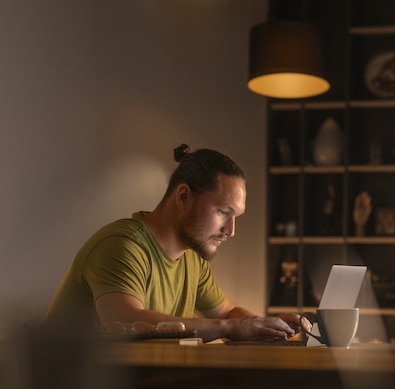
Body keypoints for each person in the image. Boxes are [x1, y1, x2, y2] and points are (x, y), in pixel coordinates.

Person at [46, 144, 305, 342]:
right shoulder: (123, 246)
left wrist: (266, 325)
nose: (230, 230)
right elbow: (126, 320)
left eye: (235, 217)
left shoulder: (192, 257)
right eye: (223, 212)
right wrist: (230, 329)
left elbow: (228, 312)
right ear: (183, 196)